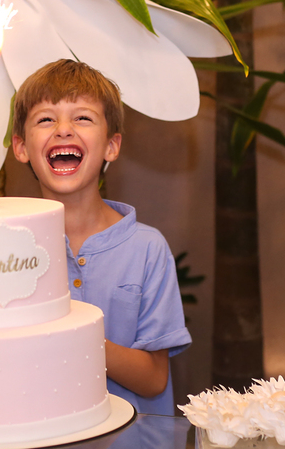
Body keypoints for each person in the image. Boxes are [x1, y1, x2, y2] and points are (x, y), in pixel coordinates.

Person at [11, 59, 191, 418]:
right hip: (38, 446)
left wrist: (76, 336)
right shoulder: (8, 253)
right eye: (45, 119)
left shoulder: (147, 249)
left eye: (82, 118)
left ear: (111, 145)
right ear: (21, 147)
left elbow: (154, 379)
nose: (63, 130)